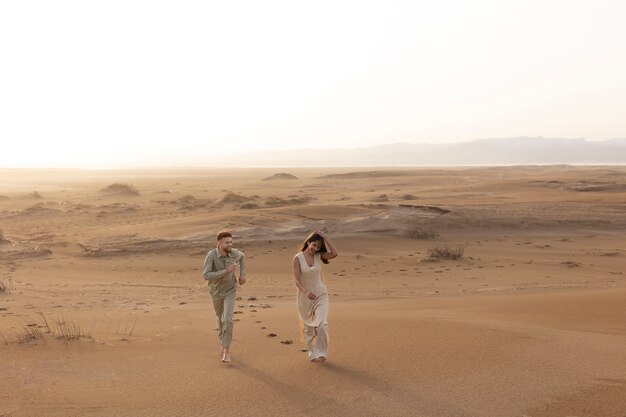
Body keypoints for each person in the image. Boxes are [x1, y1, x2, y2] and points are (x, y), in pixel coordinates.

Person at [292, 230, 338, 362]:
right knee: (309, 329)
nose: (315, 249)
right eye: (314, 245)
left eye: (318, 246)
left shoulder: (319, 256)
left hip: (321, 294)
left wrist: (325, 237)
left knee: (322, 324)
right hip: (304, 297)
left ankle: (322, 352)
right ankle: (312, 351)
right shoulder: (297, 258)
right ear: (308, 242)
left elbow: (334, 254)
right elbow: (297, 280)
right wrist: (306, 292)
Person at [202, 230, 247, 363]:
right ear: (219, 243)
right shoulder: (211, 256)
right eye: (227, 242)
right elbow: (205, 275)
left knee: (227, 319)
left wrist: (242, 275)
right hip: (215, 291)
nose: (230, 245)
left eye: (231, 242)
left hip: (230, 290)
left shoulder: (234, 253)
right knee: (220, 319)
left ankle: (226, 350)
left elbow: (243, 257)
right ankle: (222, 342)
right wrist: (225, 271)